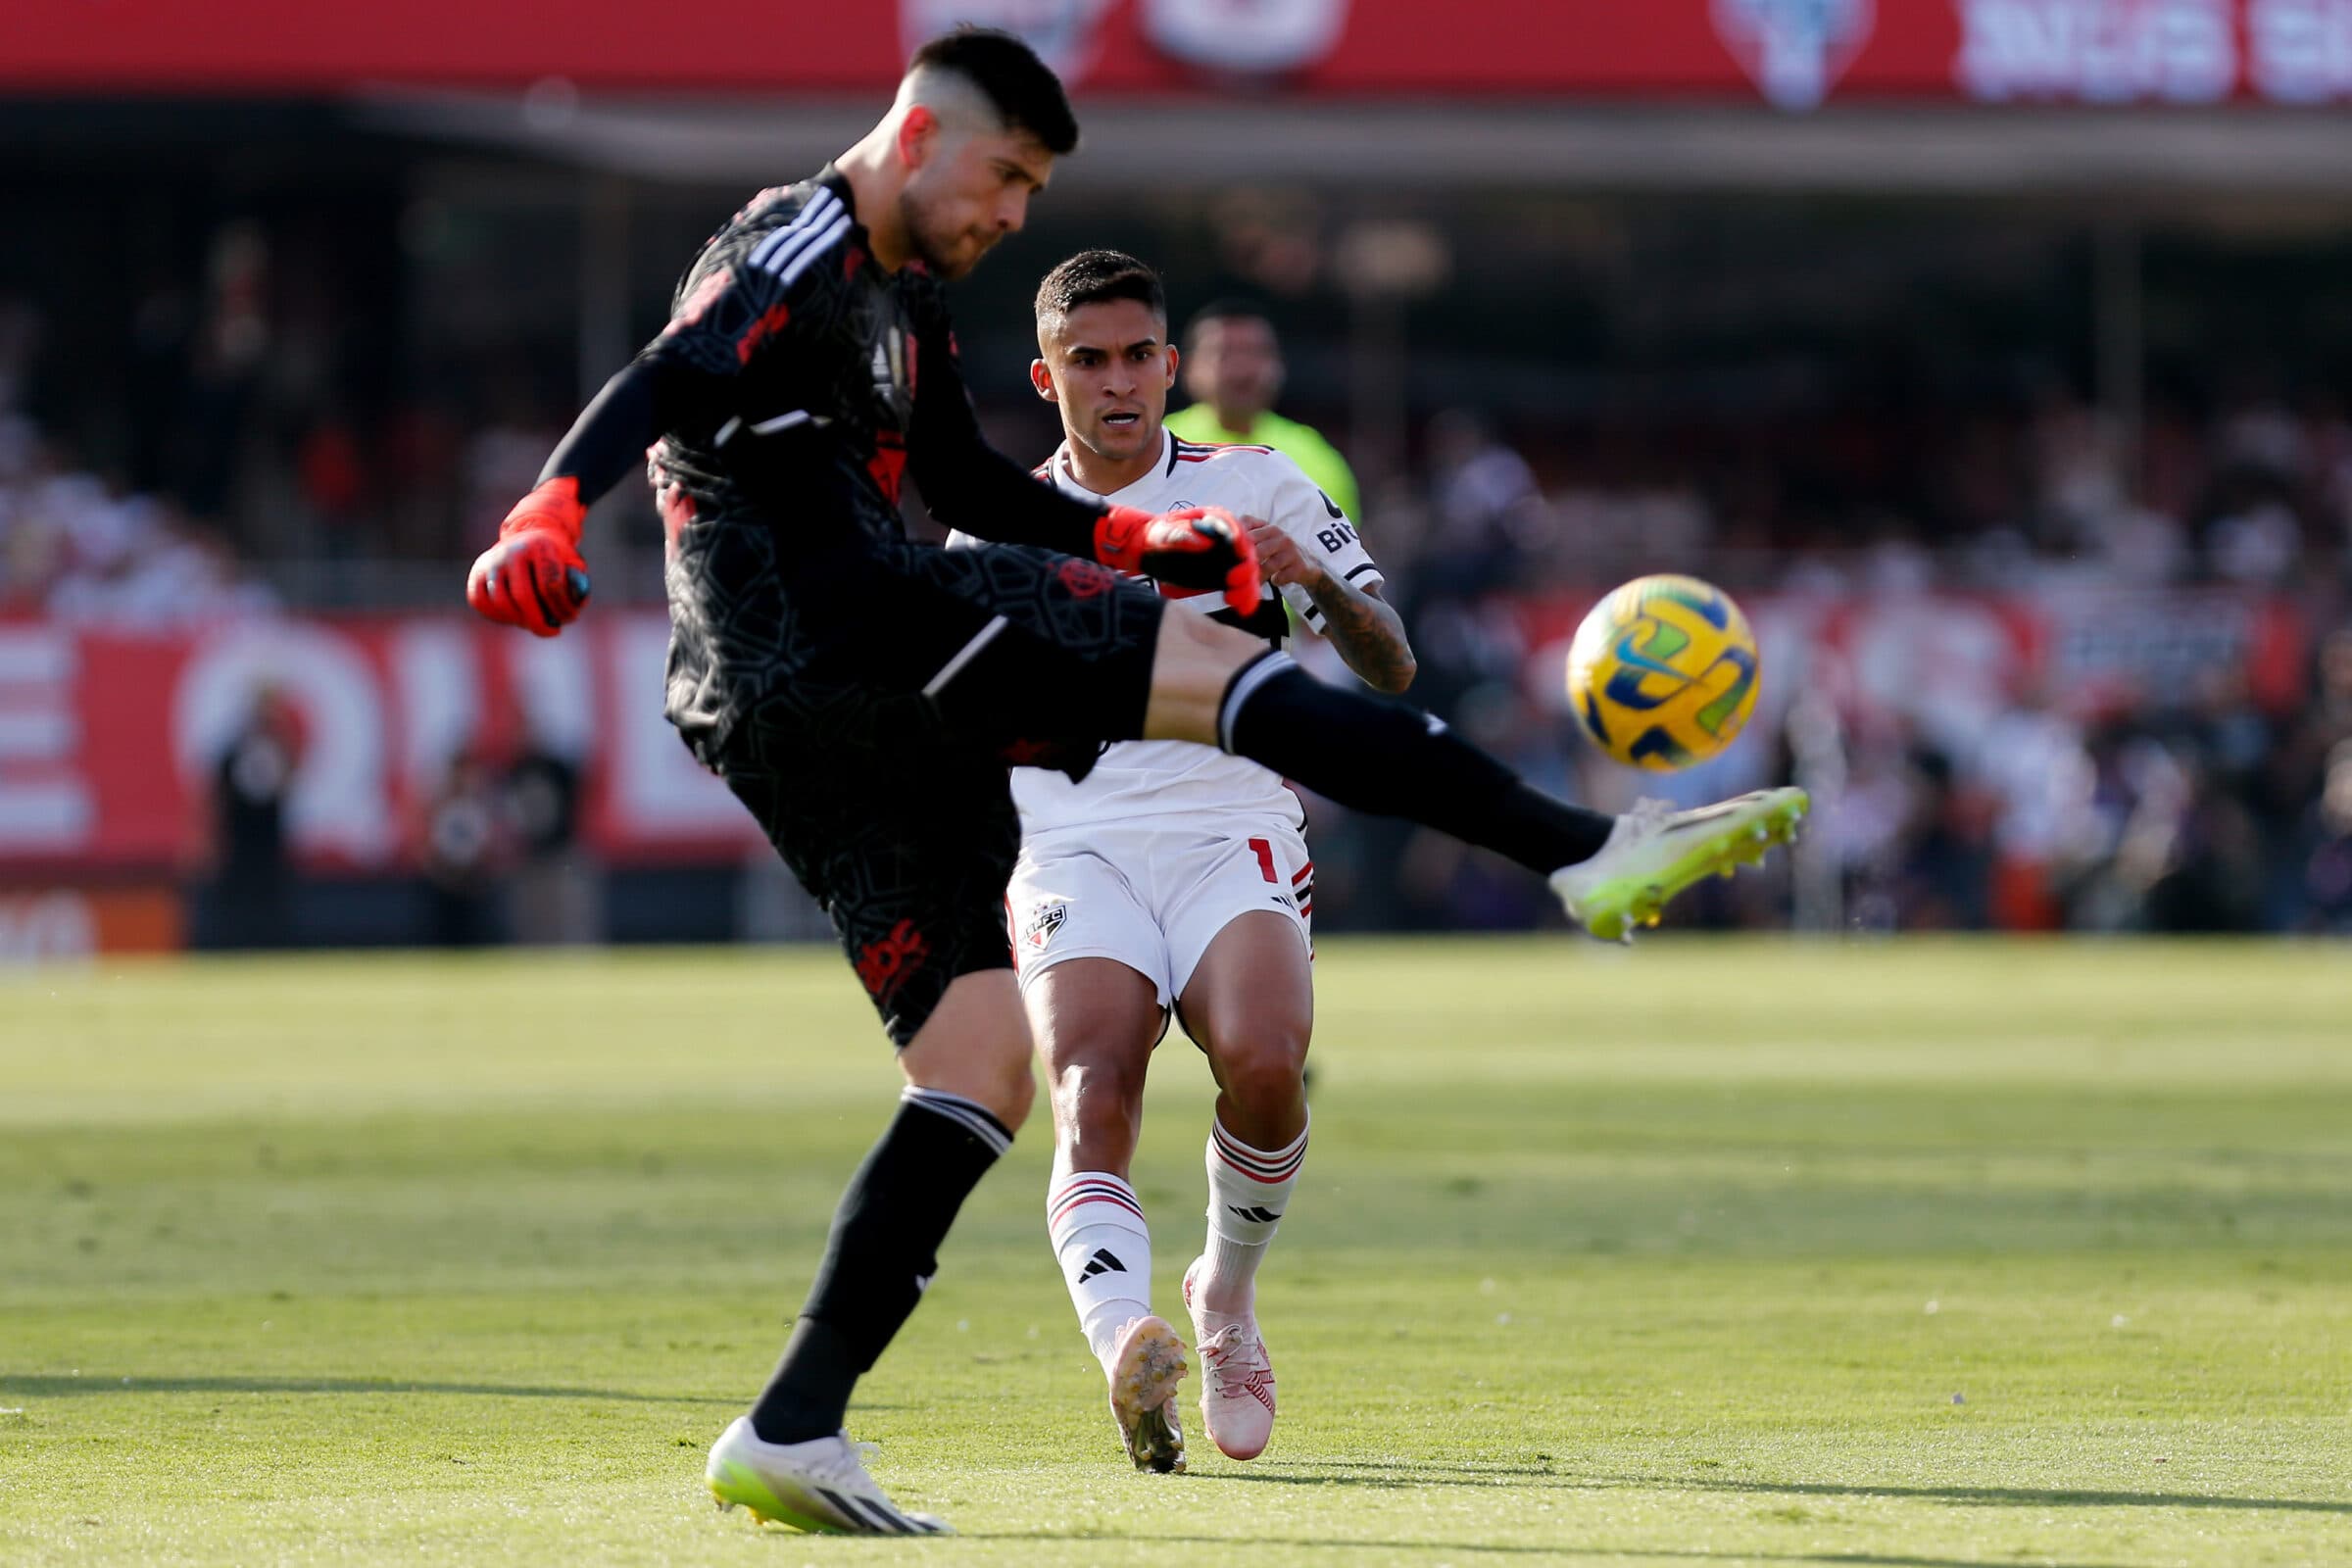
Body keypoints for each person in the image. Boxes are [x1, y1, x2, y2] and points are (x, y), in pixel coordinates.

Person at [465, 27, 1803, 1538]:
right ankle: (1585, 852)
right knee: (1229, 682)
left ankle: (792, 1426)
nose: (1010, 214)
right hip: (845, 626)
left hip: (786, 712)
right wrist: (547, 503)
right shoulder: (804, 237)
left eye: (1031, 192)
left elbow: (967, 479)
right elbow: (669, 369)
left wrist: (1134, 540)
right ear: (921, 136)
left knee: (978, 1067)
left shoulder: (910, 295)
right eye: (1005, 177)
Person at [949, 250, 1411, 1473]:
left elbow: (1392, 662)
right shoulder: (994, 521)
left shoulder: (1261, 484)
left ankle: (1224, 1295)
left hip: (1228, 819)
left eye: (1136, 357)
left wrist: (1316, 585)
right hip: (1073, 839)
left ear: (1169, 366)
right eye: (1087, 361)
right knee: (1091, 1087)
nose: (1116, 382)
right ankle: (1125, 1343)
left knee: (1265, 1064)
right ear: (1046, 377)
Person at [1164, 300, 1359, 524]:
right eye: (1224, 353)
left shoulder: (1315, 456)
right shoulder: (1158, 447)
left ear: (1280, 364)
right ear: (1187, 367)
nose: (1242, 370)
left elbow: (1344, 543)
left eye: (1256, 353)